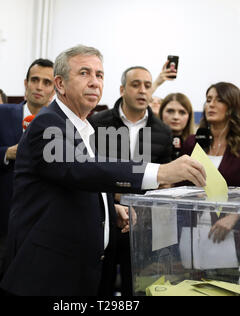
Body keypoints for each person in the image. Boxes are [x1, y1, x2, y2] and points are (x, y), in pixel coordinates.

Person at [0, 45, 207, 296]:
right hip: (44, 275)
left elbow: (77, 184)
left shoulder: (83, 127)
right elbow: (78, 169)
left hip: (76, 271)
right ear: (60, 84)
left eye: (99, 75)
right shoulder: (48, 123)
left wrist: (107, 208)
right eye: (84, 73)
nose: (95, 82)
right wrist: (159, 172)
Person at [88, 66, 173, 296]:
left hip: (143, 224)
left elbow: (164, 181)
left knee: (135, 287)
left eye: (147, 85)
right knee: (100, 286)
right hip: (105, 220)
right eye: (136, 85)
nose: (143, 90)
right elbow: (90, 172)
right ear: (122, 89)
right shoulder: (97, 124)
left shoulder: (163, 132)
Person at [0, 58, 55, 296]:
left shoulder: (58, 122)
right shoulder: (1, 113)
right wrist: (6, 153)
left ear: (54, 88)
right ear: (25, 83)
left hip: (39, 221)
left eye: (46, 82)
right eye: (35, 80)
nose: (39, 86)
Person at [180, 82, 240, 243]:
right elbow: (177, 186)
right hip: (190, 229)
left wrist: (235, 216)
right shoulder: (192, 142)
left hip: (230, 234)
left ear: (233, 107)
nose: (211, 105)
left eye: (219, 100)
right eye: (208, 100)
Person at [159, 93, 195, 160]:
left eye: (182, 112)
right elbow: (137, 168)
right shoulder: (146, 138)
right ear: (161, 113)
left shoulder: (195, 144)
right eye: (170, 111)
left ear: (189, 117)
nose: (176, 117)